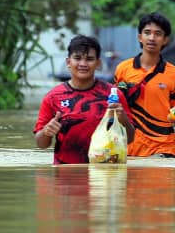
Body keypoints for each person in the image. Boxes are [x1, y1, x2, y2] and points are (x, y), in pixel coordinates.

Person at [34, 35, 135, 164]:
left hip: (104, 174)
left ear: (98, 63)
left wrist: (124, 121)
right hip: (66, 175)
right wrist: (47, 132)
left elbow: (130, 139)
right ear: (68, 62)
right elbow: (41, 144)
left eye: (89, 59)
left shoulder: (113, 95)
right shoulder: (53, 97)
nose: (83, 64)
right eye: (77, 58)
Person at [114, 12, 175, 157]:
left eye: (158, 34)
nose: (152, 38)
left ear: (165, 40)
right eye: (147, 33)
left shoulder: (173, 73)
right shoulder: (123, 69)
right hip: (131, 145)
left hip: (163, 146)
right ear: (140, 37)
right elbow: (115, 106)